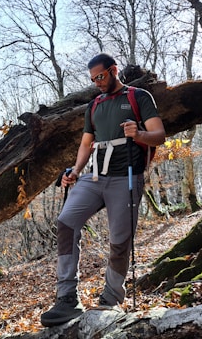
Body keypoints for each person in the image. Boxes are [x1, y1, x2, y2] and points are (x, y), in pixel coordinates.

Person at [40, 53, 166, 327]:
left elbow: (159, 135)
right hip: (95, 177)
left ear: (113, 70)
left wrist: (139, 134)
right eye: (93, 79)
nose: (97, 82)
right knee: (66, 222)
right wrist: (75, 170)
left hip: (127, 177)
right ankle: (66, 298)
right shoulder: (94, 105)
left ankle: (110, 300)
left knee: (120, 240)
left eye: (100, 76)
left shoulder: (138, 96)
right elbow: (86, 143)